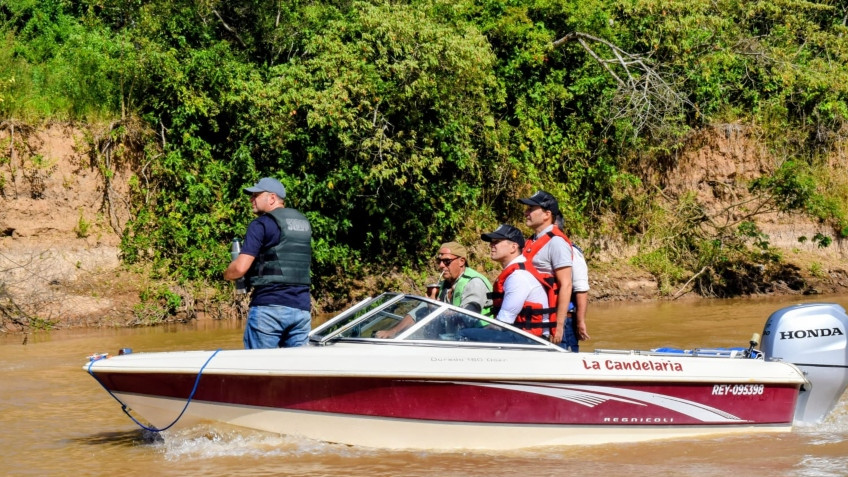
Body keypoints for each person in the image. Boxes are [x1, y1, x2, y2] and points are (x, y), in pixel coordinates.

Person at [224, 177, 313, 349]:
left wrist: (227, 274)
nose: (251, 199)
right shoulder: (303, 223)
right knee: (297, 365)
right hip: (302, 309)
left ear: (272, 198)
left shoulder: (261, 224)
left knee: (260, 364)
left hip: (269, 308)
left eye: (256, 195)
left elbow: (240, 269)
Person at [519, 190, 590, 351]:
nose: (526, 213)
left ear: (547, 214)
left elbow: (567, 284)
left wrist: (559, 325)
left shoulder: (557, 243)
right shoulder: (531, 242)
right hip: (534, 319)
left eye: (531, 209)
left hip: (554, 321)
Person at [375, 241, 492, 338]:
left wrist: (435, 308)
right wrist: (393, 332)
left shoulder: (474, 282)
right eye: (439, 261)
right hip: (457, 339)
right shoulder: (444, 285)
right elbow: (418, 312)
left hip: (480, 340)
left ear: (461, 261)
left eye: (446, 261)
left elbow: (467, 317)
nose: (441, 265)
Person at [459, 224, 551, 343]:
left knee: (463, 334)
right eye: (491, 242)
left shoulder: (518, 276)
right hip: (520, 334)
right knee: (471, 332)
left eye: (496, 242)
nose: (491, 245)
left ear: (513, 247)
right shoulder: (515, 272)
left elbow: (503, 324)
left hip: (532, 340)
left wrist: (477, 331)